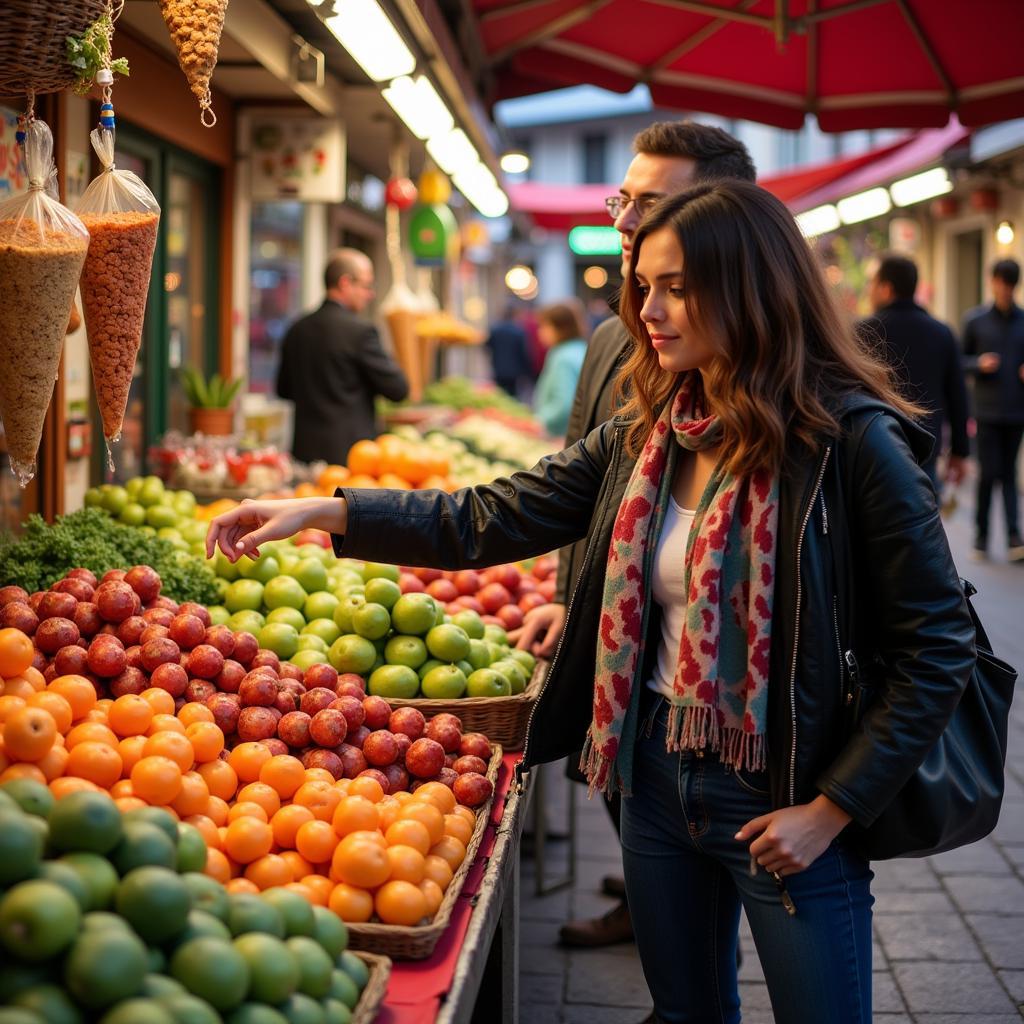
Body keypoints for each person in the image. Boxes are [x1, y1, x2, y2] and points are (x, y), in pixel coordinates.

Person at [207, 180, 975, 1024]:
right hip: (651, 773)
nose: (650, 308)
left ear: (754, 288)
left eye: (679, 287)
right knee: (683, 1015)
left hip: (785, 790)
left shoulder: (854, 444)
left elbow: (937, 649)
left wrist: (832, 811)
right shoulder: (649, 432)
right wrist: (329, 511)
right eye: (644, 284)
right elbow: (490, 514)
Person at [511, 120, 757, 951]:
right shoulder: (619, 335)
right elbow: (577, 487)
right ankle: (652, 907)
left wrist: (837, 805)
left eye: (650, 203)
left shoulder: (804, 415)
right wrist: (563, 596)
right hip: (628, 672)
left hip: (742, 730)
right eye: (624, 199)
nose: (625, 222)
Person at [276, 248, 409, 465]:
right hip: (352, 459)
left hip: (303, 455)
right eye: (366, 285)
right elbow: (398, 390)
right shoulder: (361, 332)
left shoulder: (297, 328)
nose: (371, 294)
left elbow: (283, 390)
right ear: (345, 283)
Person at [860, 254, 969, 490]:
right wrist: (960, 452)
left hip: (872, 448)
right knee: (924, 520)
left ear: (886, 288)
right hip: (925, 449)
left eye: (873, 284)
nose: (869, 290)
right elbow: (957, 395)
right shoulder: (941, 332)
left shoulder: (863, 332)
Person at [962, 258, 1024, 561]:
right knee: (988, 475)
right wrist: (978, 363)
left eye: (1008, 282)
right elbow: (960, 361)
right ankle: (981, 537)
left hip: (1016, 411)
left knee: (1009, 475)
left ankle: (1014, 537)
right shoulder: (975, 320)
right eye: (999, 281)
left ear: (1014, 285)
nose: (1003, 288)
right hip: (985, 411)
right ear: (992, 282)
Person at [532, 302, 589, 437]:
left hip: (561, 435)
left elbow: (563, 404)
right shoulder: (581, 348)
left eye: (544, 326)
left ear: (559, 327)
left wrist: (538, 422)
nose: (540, 332)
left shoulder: (563, 357)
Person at [485, 304, 532, 399]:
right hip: (514, 370)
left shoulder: (495, 330)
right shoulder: (518, 331)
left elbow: (487, 346)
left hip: (498, 368)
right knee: (513, 395)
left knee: (499, 394)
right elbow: (523, 352)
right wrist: (526, 371)